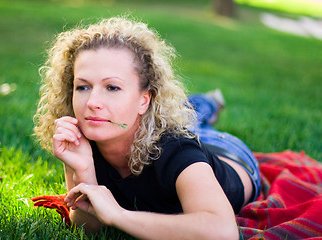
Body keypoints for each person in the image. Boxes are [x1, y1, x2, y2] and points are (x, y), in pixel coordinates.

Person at [34, 17, 261, 239]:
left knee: (189, 121)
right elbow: (86, 228)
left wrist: (119, 215)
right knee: (180, 115)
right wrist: (84, 172)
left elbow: (223, 232)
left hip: (230, 153)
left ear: (144, 100)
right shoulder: (82, 138)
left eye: (112, 87)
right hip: (151, 126)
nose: (92, 102)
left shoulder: (178, 149)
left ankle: (206, 103)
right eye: (83, 87)